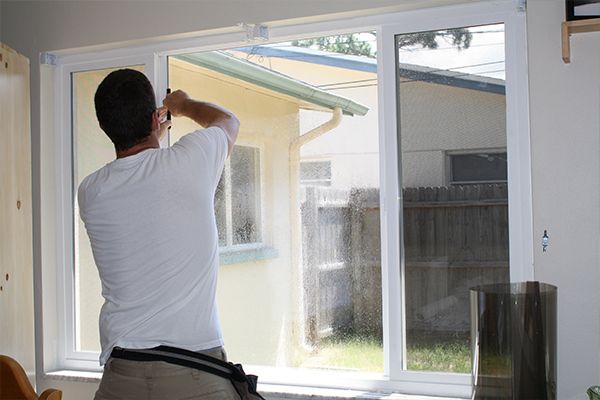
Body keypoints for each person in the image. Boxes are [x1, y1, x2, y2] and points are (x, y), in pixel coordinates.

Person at [78, 68, 241, 399]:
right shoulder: (190, 162)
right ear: (156, 118)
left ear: (105, 126)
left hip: (121, 377)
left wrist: (152, 135)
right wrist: (183, 104)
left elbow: (141, 182)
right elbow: (227, 122)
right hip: (194, 373)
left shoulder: (91, 192)